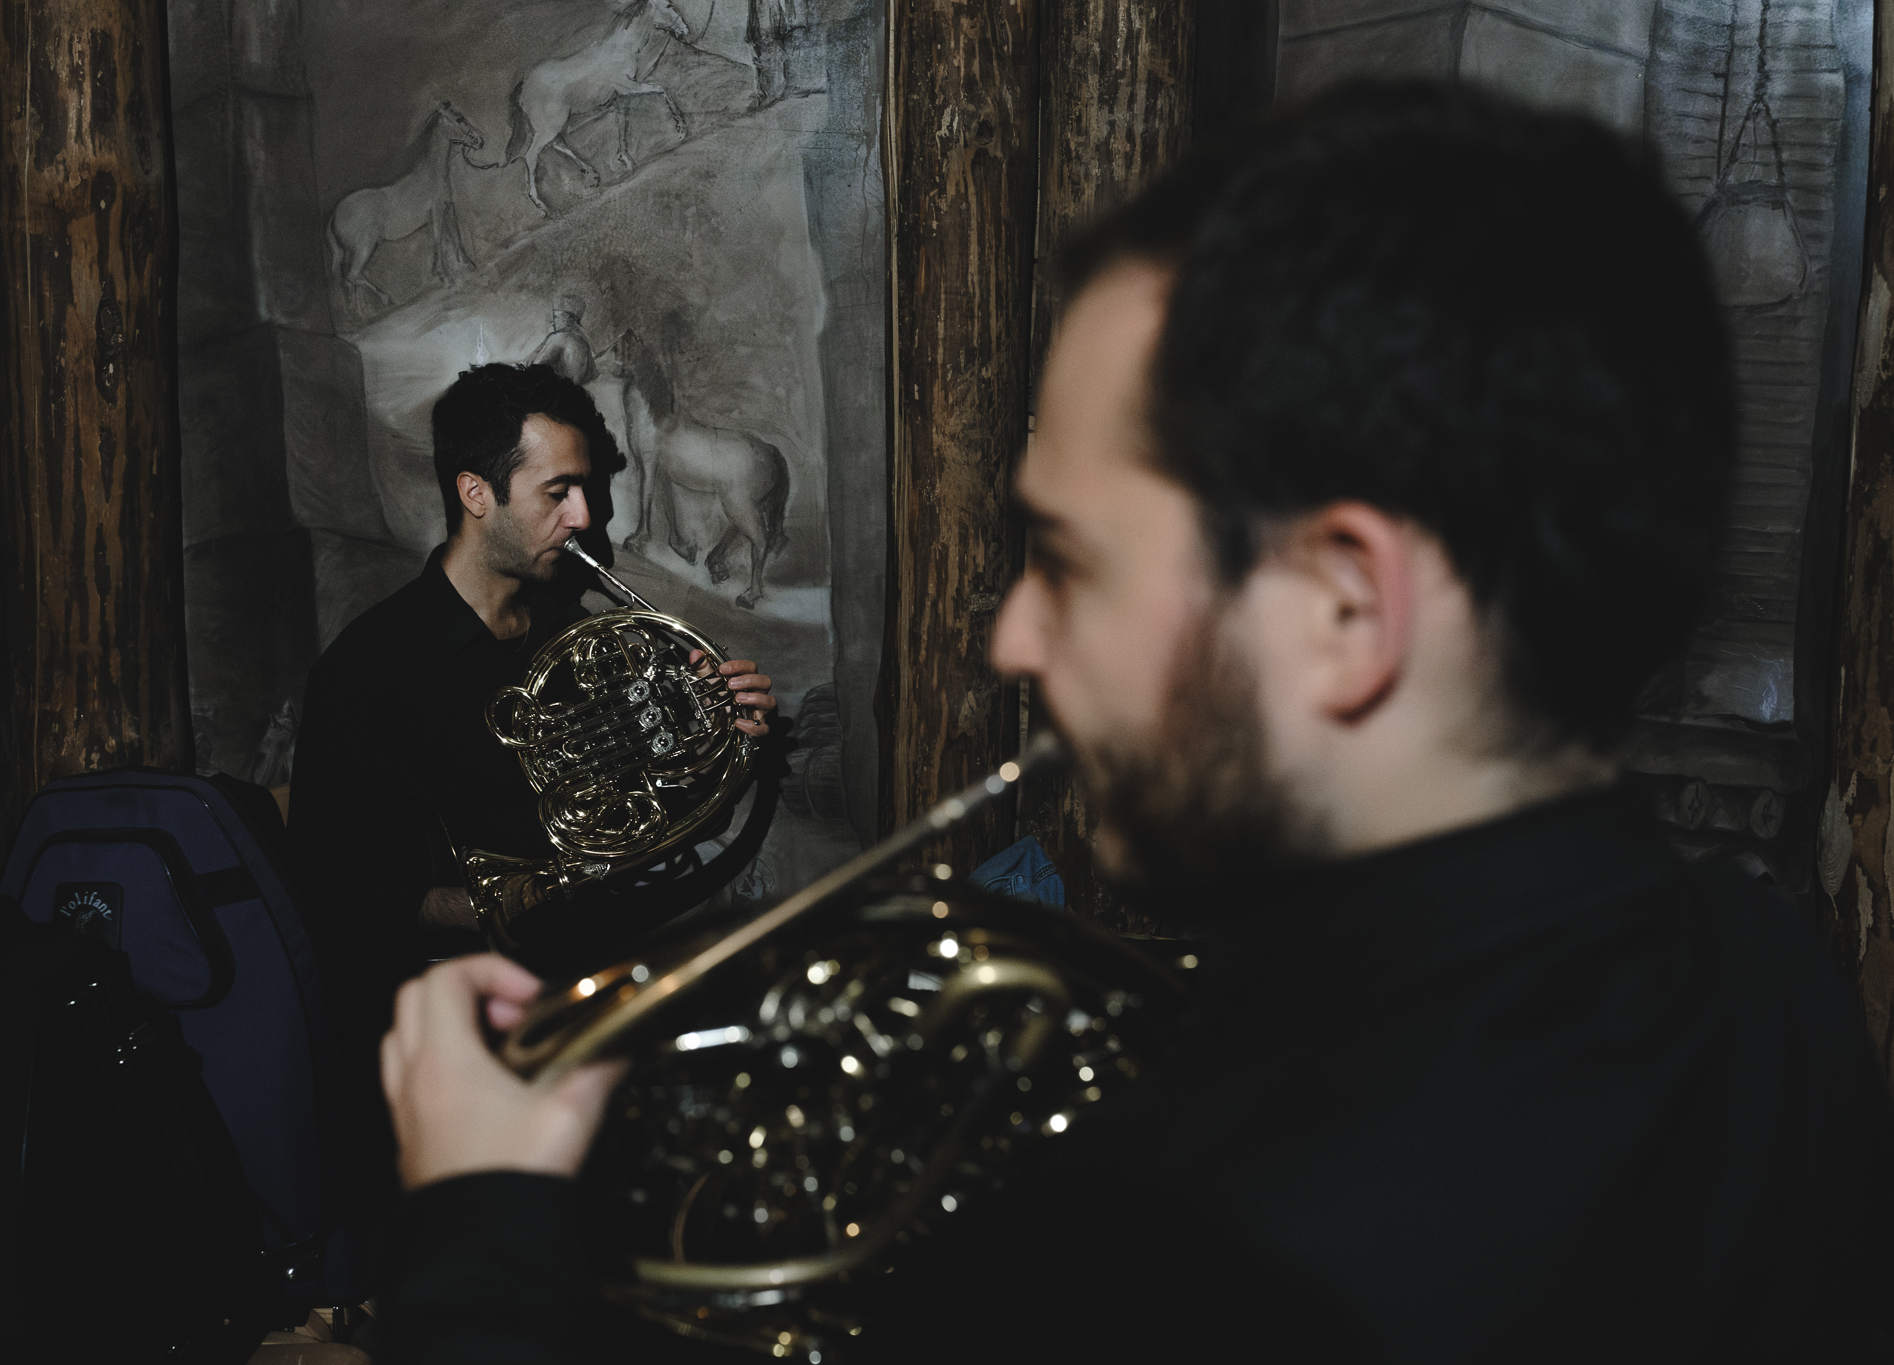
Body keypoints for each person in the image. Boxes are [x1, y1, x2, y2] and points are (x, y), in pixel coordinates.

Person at [366, 85, 1894, 1361]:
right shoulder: (1772, 985)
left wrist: (484, 1244)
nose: (1014, 636)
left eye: (1071, 560)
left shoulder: (1166, 1250)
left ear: (1345, 608)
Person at [285, 363, 776, 1151]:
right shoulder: (365, 669)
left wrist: (721, 735)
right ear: (476, 493)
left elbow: (645, 812)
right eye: (558, 492)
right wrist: (478, 906)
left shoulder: (573, 635)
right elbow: (324, 878)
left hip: (594, 996)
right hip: (459, 1041)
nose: (585, 517)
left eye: (586, 489)